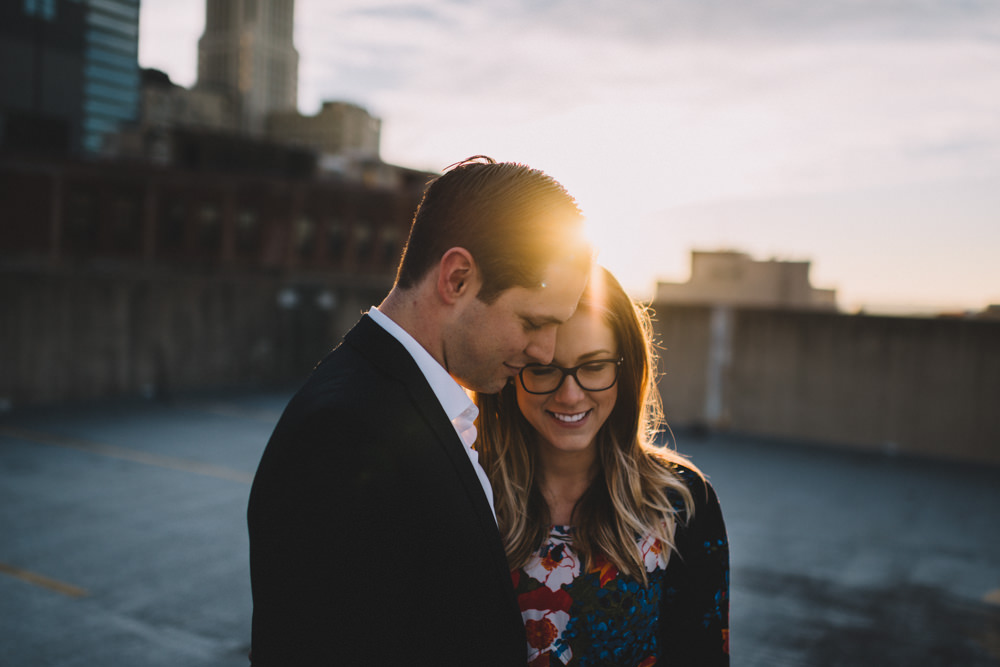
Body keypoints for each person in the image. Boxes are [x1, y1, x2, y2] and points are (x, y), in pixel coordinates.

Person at [247, 156, 593, 665]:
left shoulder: (414, 405)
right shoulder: (342, 432)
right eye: (532, 321)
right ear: (456, 278)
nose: (545, 351)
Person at [475, 267, 730, 666]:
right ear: (510, 374)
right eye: (543, 368)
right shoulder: (467, 490)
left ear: (624, 373)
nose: (570, 395)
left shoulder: (681, 502)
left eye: (594, 367)